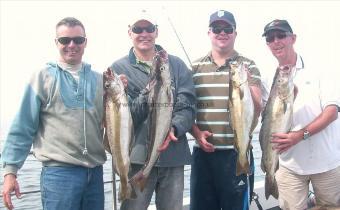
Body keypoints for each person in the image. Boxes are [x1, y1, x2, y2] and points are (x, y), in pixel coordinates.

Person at [1, 17, 107, 210]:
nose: (72, 45)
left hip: (95, 173)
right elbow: (23, 127)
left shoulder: (101, 80)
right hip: (59, 175)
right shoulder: (42, 77)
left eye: (78, 40)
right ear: (56, 43)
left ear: (86, 42)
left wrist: (120, 89)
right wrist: (10, 172)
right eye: (65, 40)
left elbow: (117, 121)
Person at [110, 10, 196, 210]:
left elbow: (188, 105)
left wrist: (174, 128)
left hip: (173, 157)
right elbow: (127, 118)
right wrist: (149, 91)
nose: (144, 33)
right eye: (138, 29)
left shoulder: (176, 65)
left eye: (149, 28)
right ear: (129, 32)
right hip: (137, 161)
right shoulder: (118, 69)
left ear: (156, 31)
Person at [262, 19, 340, 209]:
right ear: (268, 44)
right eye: (271, 38)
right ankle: (270, 178)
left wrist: (299, 135)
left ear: (293, 38)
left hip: (327, 162)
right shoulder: (266, 79)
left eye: (281, 35)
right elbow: (266, 121)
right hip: (289, 166)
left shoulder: (320, 69)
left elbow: (332, 111)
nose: (276, 41)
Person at [190, 10, 262, 210]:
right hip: (202, 155)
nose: (222, 33)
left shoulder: (249, 65)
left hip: (237, 153)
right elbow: (185, 109)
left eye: (227, 29)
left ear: (235, 33)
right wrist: (196, 133)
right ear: (209, 33)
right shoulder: (194, 67)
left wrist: (246, 85)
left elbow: (258, 108)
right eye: (217, 29)